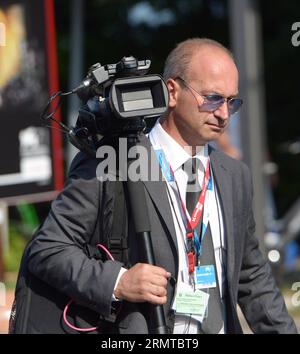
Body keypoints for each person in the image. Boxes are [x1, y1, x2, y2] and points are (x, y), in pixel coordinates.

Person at [11, 38, 297, 334]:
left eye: (231, 101)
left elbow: (252, 277)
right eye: (212, 98)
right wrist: (118, 282)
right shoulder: (113, 161)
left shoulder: (234, 175)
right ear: (172, 92)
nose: (223, 113)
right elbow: (48, 249)